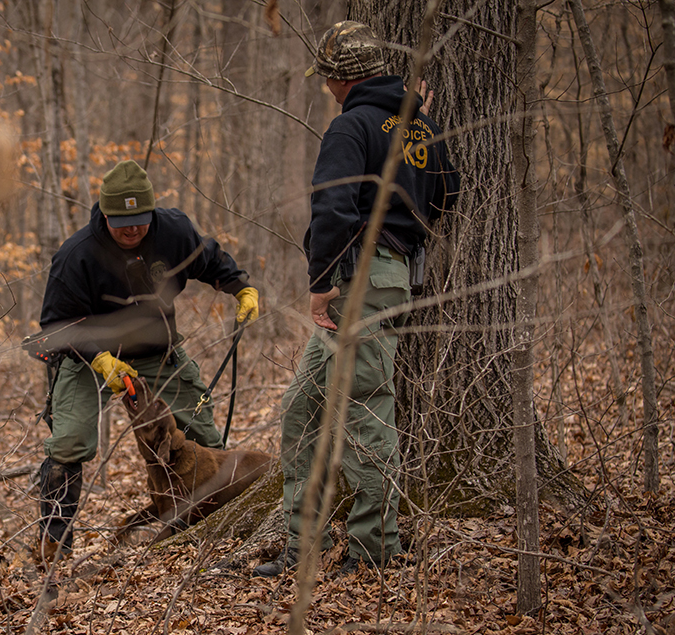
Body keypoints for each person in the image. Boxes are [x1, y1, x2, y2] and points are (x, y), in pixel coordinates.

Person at [253, 21, 459, 578]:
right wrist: (420, 121)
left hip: (357, 282)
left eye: (325, 77)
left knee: (366, 411)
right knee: (304, 410)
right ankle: (302, 546)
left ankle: (376, 548)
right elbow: (449, 192)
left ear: (338, 79)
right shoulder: (419, 127)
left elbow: (333, 209)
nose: (325, 87)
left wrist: (321, 284)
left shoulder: (351, 127)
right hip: (383, 278)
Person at [34, 159, 259, 559]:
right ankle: (54, 544)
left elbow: (209, 260)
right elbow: (55, 324)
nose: (133, 229)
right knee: (69, 442)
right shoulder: (76, 255)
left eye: (140, 218)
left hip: (158, 352)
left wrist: (241, 287)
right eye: (122, 221)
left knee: (206, 440)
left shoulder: (173, 231)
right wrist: (101, 359)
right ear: (104, 215)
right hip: (88, 359)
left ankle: (210, 529)